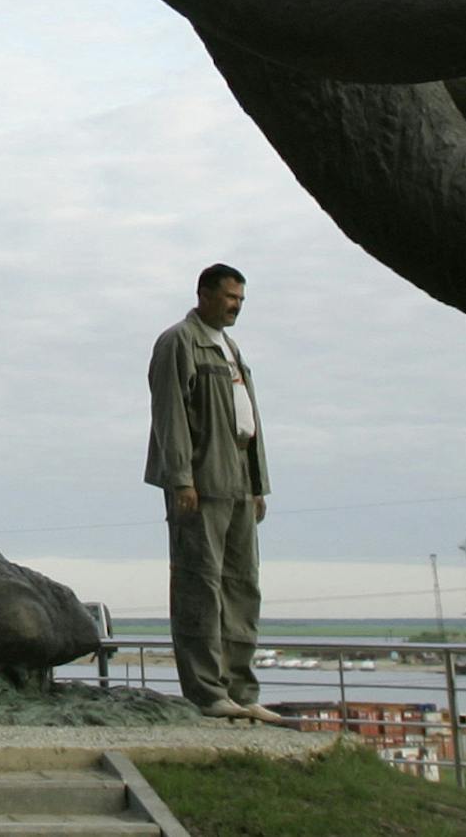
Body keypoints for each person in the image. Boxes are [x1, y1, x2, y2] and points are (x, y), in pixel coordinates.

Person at [145, 262, 278, 723]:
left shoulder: (231, 348)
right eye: (229, 297)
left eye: (241, 299)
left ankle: (241, 689)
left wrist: (258, 485)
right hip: (202, 481)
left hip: (239, 479)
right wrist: (181, 478)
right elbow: (170, 414)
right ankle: (206, 691)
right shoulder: (179, 341)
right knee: (200, 585)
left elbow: (249, 421)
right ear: (203, 293)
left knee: (243, 586)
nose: (236, 306)